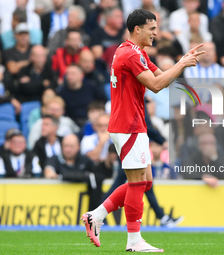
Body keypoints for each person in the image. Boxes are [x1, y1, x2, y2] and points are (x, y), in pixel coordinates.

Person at [81, 9, 204, 252]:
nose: (156, 33)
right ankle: (134, 240)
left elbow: (161, 76)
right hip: (128, 125)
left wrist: (181, 64)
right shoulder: (130, 54)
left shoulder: (134, 51)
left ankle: (97, 215)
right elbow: (157, 85)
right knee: (137, 183)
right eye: (152, 29)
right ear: (137, 29)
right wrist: (181, 63)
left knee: (144, 182)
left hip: (134, 124)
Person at [44, 134, 115, 210]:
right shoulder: (55, 159)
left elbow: (98, 172)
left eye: (71, 146)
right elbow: (49, 171)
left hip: (81, 207)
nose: (68, 149)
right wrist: (51, 174)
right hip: (59, 205)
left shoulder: (84, 160)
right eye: (65, 146)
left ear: (78, 147)